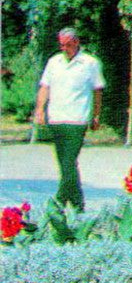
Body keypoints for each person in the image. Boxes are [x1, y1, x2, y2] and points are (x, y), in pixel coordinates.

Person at [33, 28, 105, 212]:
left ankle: (59, 201)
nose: (64, 48)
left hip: (77, 119)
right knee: (66, 164)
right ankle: (77, 204)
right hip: (56, 119)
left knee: (68, 161)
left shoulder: (90, 63)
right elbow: (45, 87)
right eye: (61, 45)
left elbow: (97, 91)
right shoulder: (54, 62)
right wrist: (40, 110)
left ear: (76, 42)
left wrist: (96, 115)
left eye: (68, 45)